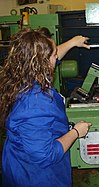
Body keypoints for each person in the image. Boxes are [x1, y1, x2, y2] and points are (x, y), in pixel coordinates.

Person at [0, 28, 91, 186]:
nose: (57, 58)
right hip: (34, 175)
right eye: (54, 55)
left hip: (19, 159)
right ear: (41, 62)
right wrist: (76, 131)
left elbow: (50, 56)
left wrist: (72, 43)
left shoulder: (20, 74)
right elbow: (45, 155)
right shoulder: (35, 104)